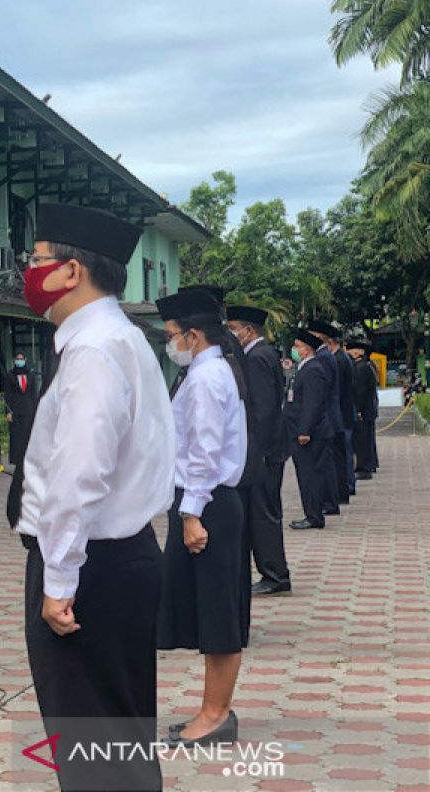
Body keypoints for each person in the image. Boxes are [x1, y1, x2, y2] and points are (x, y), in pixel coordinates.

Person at [14, 203, 172, 790]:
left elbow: (77, 476)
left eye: (37, 261)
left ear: (71, 271)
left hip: (90, 569)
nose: (30, 273)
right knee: (118, 735)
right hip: (118, 556)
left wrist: (58, 581)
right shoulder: (121, 338)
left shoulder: (93, 350)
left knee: (93, 745)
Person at [155, 289, 249, 749]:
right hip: (204, 501)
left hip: (207, 503)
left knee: (218, 612)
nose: (169, 343)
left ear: (193, 335)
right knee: (210, 608)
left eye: (172, 335)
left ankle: (216, 716)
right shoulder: (205, 372)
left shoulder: (208, 377)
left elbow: (206, 452)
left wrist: (191, 513)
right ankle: (214, 709)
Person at [226, 306, 291, 596]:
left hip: (264, 452)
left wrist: (258, 452)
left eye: (233, 328)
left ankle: (275, 575)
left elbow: (263, 410)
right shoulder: (264, 354)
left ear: (248, 331)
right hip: (269, 449)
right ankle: (272, 572)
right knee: (263, 512)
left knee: (263, 515)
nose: (231, 334)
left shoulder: (256, 357)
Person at [285, 330, 336, 530]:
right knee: (305, 474)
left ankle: (314, 515)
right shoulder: (304, 368)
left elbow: (312, 404)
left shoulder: (313, 369)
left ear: (307, 349)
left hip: (311, 433)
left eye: (297, 346)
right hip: (303, 430)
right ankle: (311, 513)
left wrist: (304, 430)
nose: (294, 350)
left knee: (311, 475)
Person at [306, 320, 348, 513]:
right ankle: (331, 500)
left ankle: (329, 502)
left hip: (326, 417)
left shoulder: (322, 357)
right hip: (329, 415)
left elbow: (321, 389)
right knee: (328, 462)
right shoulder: (325, 355)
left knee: (325, 463)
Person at [347, 341, 379, 478]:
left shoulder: (361, 368)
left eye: (351, 349)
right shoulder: (367, 366)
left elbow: (360, 391)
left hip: (363, 410)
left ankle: (364, 467)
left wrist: (358, 410)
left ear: (360, 352)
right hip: (368, 409)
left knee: (363, 440)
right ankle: (370, 463)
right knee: (368, 438)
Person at [3, 350, 39, 470]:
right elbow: (7, 395)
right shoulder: (10, 375)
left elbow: (34, 393)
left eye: (21, 359)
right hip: (15, 410)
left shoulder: (31, 374)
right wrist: (7, 411)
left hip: (28, 409)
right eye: (17, 359)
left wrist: (36, 410)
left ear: (25, 360)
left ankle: (28, 460)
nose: (19, 361)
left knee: (27, 435)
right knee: (16, 436)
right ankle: (16, 461)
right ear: (14, 360)